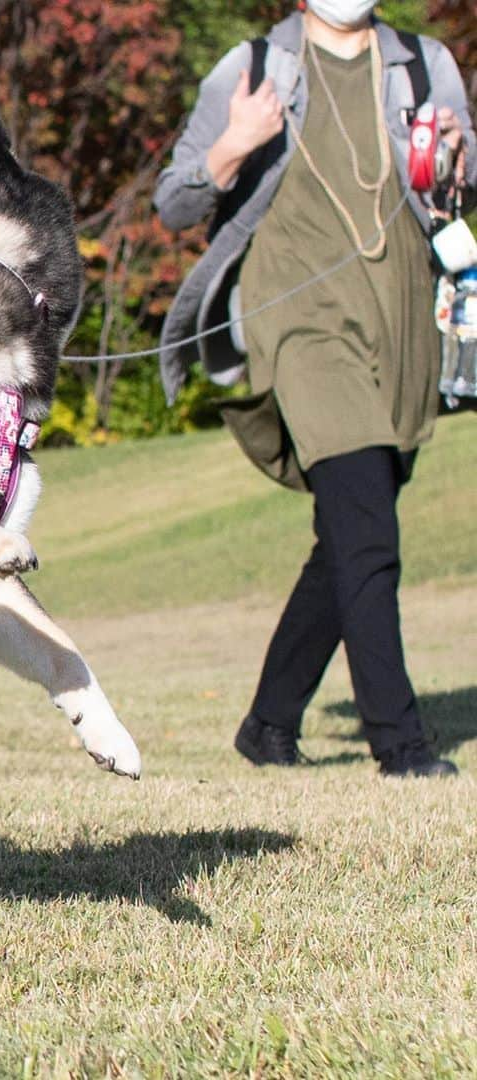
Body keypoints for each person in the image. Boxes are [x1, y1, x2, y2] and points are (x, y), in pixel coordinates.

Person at [154, 1, 476, 777]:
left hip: (401, 318)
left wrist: (456, 163)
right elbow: (175, 204)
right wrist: (234, 145)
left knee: (349, 532)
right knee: (368, 530)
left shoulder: (423, 62)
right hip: (297, 320)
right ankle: (401, 747)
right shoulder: (252, 68)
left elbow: (457, 188)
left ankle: (268, 724)